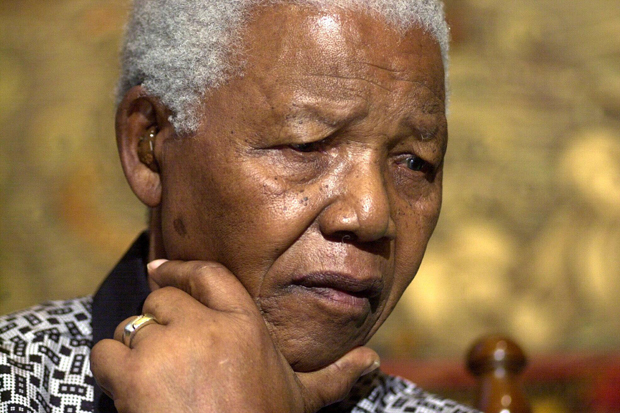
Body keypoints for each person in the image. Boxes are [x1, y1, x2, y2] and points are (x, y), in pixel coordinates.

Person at [0, 1, 479, 412]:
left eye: (415, 162)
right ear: (150, 144)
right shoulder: (17, 383)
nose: (373, 213)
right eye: (306, 144)